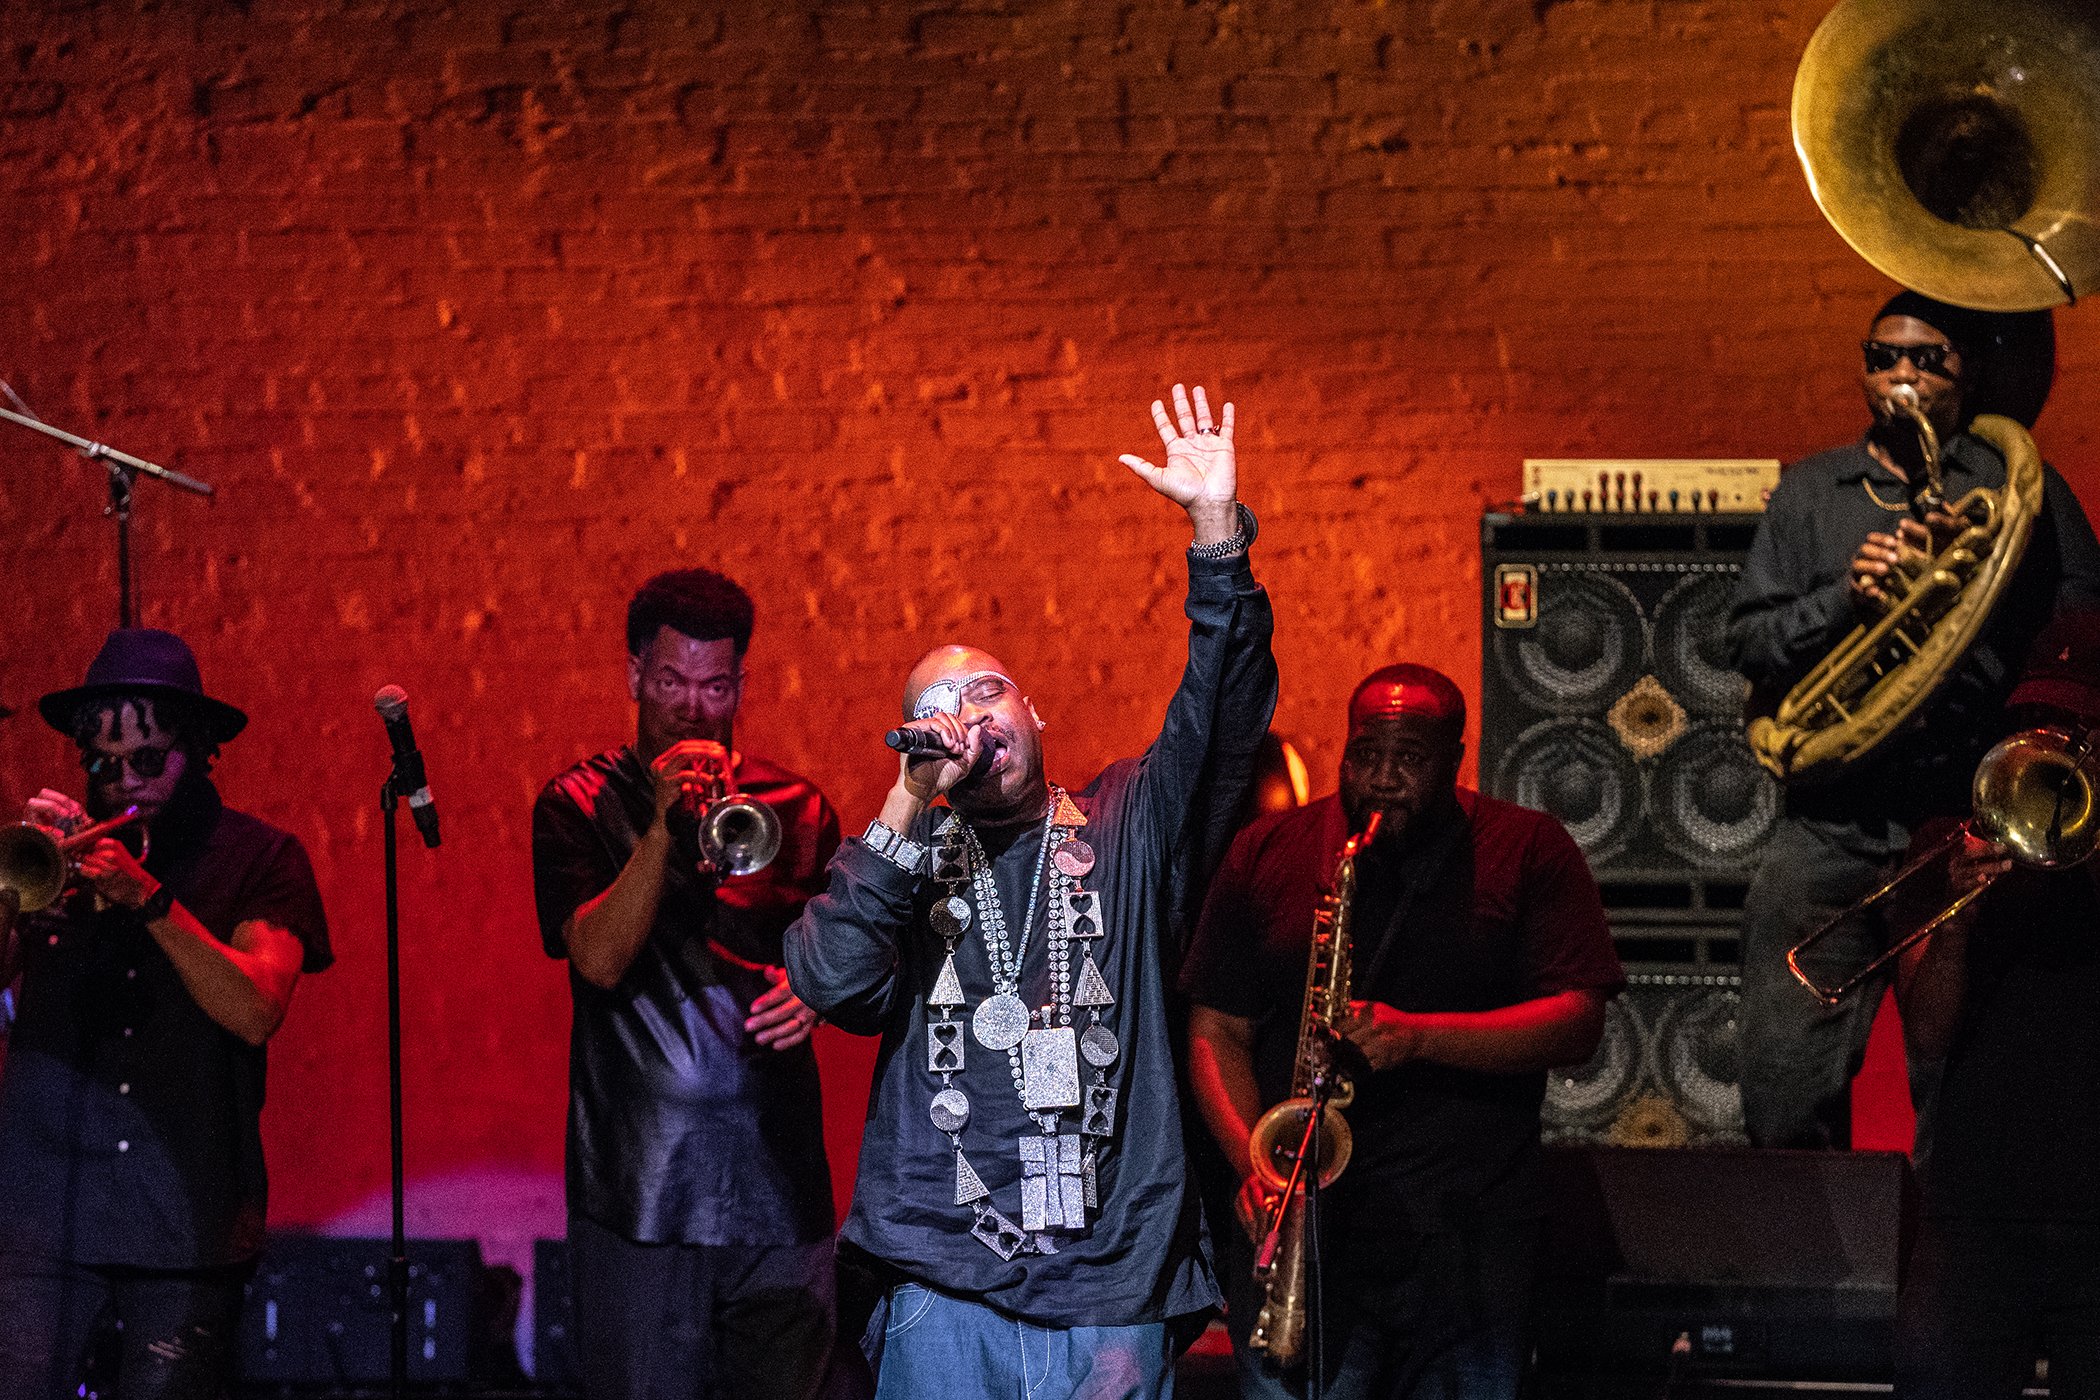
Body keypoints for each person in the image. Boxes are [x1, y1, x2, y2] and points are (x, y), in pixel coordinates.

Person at [784, 384, 1276, 1399]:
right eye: (939, 706)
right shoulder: (910, 849)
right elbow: (829, 977)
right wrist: (910, 796)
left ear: (1034, 709)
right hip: (943, 1282)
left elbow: (1221, 713)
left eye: (988, 688)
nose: (968, 713)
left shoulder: (1125, 815)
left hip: (1111, 1286)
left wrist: (1216, 534)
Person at [1181, 664, 1623, 1398]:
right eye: (1366, 755)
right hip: (1311, 1235)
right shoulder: (1269, 851)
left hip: (1469, 1236)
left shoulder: (1528, 850)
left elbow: (1578, 1020)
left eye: (1410, 760)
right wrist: (1257, 1164)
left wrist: (1420, 1037)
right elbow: (1214, 1030)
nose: (1383, 779)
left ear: (1454, 759)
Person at [1724, 289, 2100, 1149]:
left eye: (1926, 358)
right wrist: (1846, 599)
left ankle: (1951, 1266)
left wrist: (1981, 605)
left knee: (1965, 1082)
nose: (1900, 373)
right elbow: (1746, 641)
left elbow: (2083, 613)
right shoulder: (1813, 493)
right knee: (1783, 1081)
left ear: (1969, 376)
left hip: (1964, 816)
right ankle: (1806, 1269)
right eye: (1881, 355)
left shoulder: (2014, 484)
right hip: (1831, 820)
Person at [531, 568, 843, 1400]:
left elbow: (860, 961)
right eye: (671, 681)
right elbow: (597, 959)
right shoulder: (576, 802)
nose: (692, 706)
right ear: (635, 675)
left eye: (714, 685)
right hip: (640, 1198)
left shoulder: (799, 809)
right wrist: (666, 831)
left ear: (740, 684)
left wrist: (818, 991)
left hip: (779, 1196)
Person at [0, 628, 331, 1399]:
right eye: (103, 764)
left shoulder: (261, 858)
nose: (123, 784)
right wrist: (14, 892)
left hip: (185, 1218)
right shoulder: (58, 854)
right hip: (40, 1210)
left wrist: (148, 901)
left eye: (148, 760)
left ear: (200, 749)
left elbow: (255, 1009)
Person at [1891, 610, 2100, 1400]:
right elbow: (1929, 1034)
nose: (2056, 742)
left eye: (2080, 725)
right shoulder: (1954, 845)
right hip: (1975, 1214)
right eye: (2037, 720)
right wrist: (1955, 923)